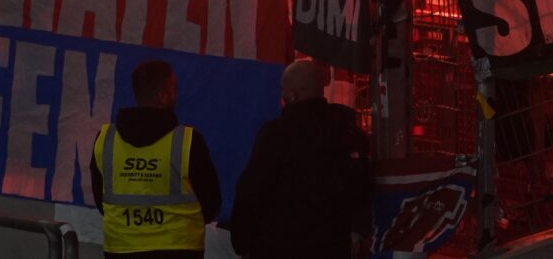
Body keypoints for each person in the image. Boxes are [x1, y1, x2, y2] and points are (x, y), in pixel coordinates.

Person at [230, 59, 371, 259]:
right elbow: (361, 190)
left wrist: (242, 241)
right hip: (332, 247)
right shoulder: (347, 134)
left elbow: (252, 191)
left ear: (293, 95)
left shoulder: (276, 134)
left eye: (284, 90)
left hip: (279, 247)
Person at [90, 60, 222, 259]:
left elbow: (101, 198)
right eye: (173, 88)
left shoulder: (106, 139)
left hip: (122, 248)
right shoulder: (188, 141)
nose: (176, 94)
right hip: (179, 248)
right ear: (163, 96)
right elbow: (211, 202)